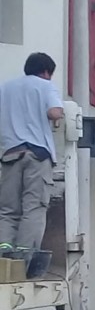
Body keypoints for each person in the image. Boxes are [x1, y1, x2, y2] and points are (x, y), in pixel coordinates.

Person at [0, 53, 65, 253]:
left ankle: (4, 251)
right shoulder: (45, 86)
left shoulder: (5, 88)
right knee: (34, 207)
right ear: (46, 71)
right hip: (36, 155)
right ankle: (24, 255)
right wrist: (57, 116)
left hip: (10, 154)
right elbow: (55, 112)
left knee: (8, 210)